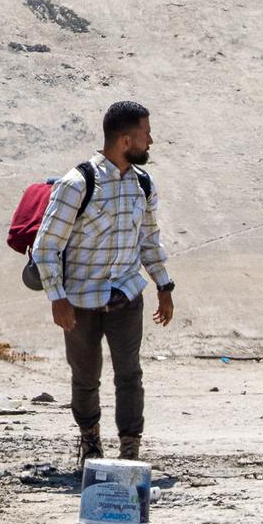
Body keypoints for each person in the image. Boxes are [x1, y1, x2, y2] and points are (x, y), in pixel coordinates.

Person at [31, 100, 175, 467]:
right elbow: (47, 246)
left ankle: (130, 450)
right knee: (86, 376)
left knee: (130, 374)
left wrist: (164, 286)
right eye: (145, 135)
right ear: (126, 141)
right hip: (80, 301)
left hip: (126, 295)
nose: (151, 141)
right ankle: (90, 442)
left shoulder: (143, 183)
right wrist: (56, 298)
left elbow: (149, 240)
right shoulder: (77, 184)